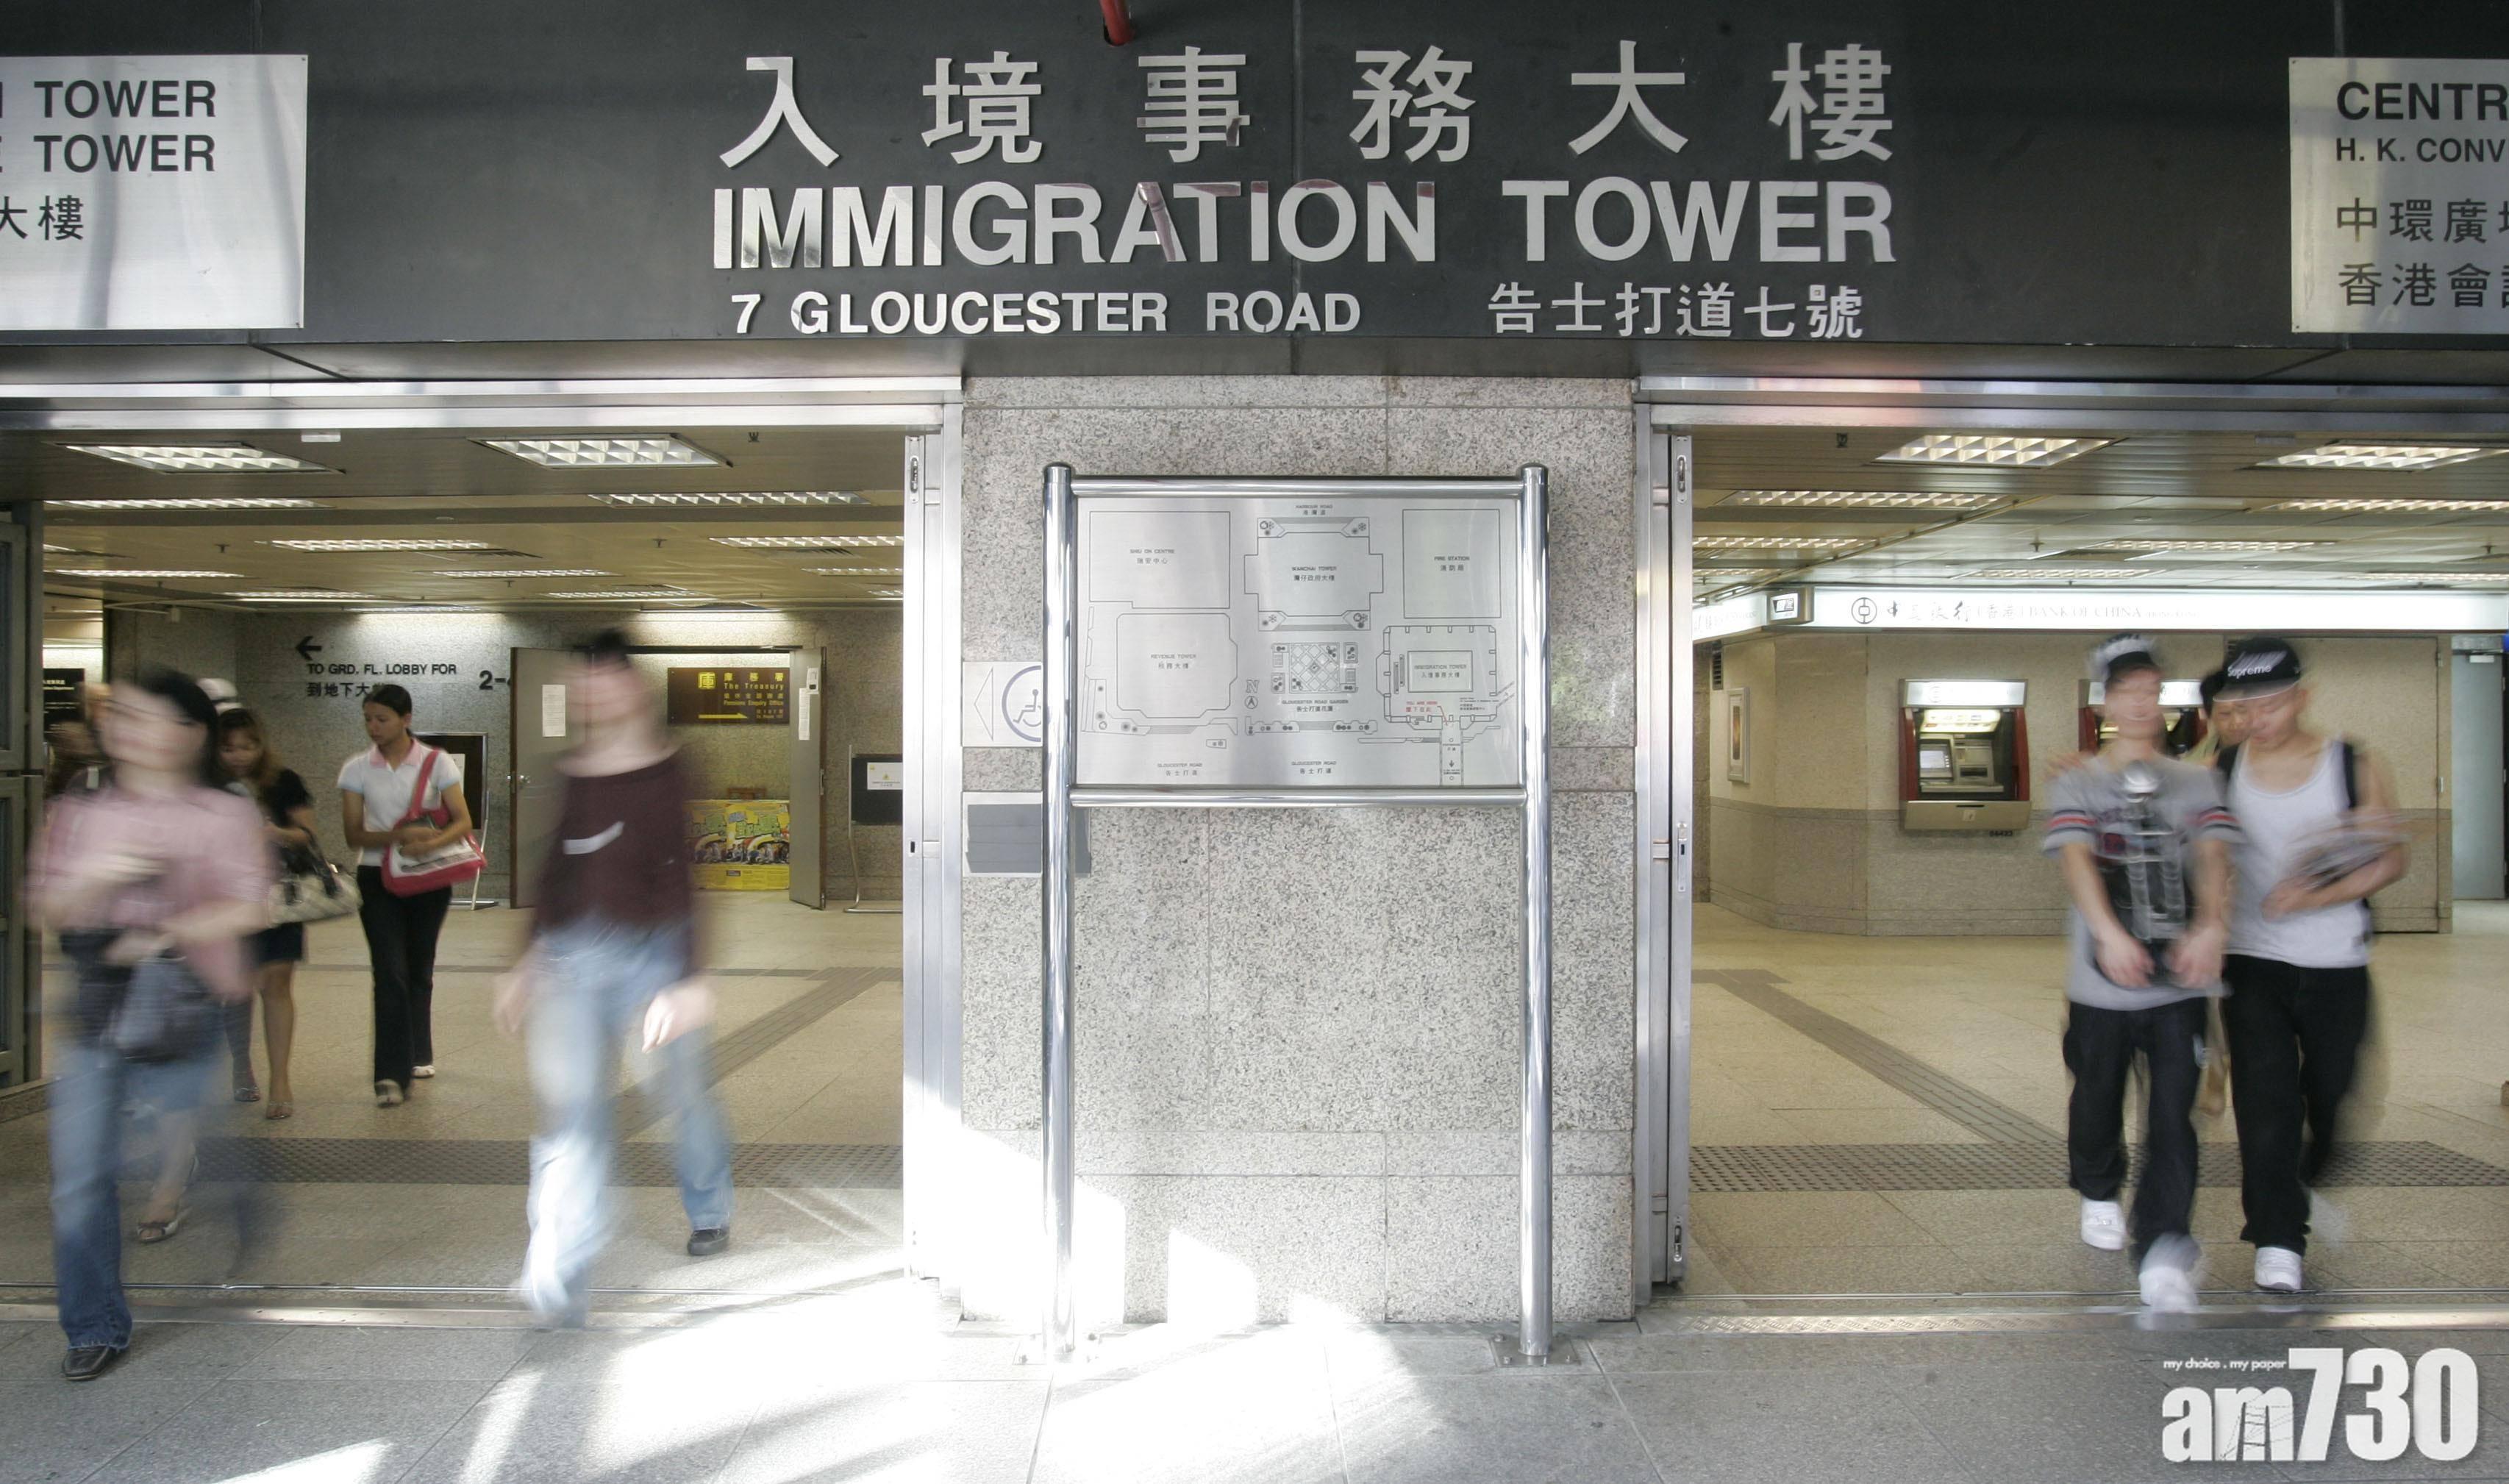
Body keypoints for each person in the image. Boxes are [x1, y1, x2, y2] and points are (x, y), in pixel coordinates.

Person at [31, 669, 271, 1380]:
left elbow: (252, 904)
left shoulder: (222, 812)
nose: (125, 728)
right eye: (121, 715)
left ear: (190, 733)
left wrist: (167, 929)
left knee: (180, 1133)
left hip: (181, 1001)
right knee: (80, 1177)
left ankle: (219, 1183)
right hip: (98, 1006)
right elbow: (47, 907)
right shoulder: (81, 810)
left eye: (146, 716)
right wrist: (101, 877)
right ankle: (94, 1324)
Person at [496, 631, 732, 1327]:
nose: (590, 698)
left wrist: (690, 979)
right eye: (581, 687)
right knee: (574, 1116)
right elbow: (555, 870)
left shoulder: (670, 769)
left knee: (683, 1095)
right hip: (573, 958)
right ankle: (559, 1269)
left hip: (654, 955)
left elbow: (687, 876)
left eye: (602, 683)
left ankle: (710, 1206)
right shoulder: (572, 771)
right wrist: (527, 958)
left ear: (632, 686)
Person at [2043, 635, 2238, 1311]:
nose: (2142, 704)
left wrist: (2210, 925)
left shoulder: (2197, 782)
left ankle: (2162, 1244)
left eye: (2152, 691)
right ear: (2105, 703)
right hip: (2101, 982)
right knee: (2097, 1095)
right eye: (2128, 692)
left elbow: (2212, 856)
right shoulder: (2079, 781)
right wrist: (2109, 934)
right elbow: (2075, 859)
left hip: (2179, 982)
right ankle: (2098, 1185)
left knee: (2173, 1115)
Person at [2213, 637, 2407, 1295]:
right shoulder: (2224, 768)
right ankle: (2277, 1238)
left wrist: (2314, 896)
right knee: (2264, 1101)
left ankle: (2305, 1177)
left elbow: (2390, 859)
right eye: (2242, 707)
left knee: (2332, 1095)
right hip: (2253, 961)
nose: (2255, 719)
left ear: (2302, 697)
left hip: (2336, 960)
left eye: (2268, 704)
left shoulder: (2351, 764)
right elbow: (2206, 855)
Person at [338, 684, 471, 1107]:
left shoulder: (436, 762)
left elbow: (462, 820)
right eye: (368, 719)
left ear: (406, 719)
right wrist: (398, 837)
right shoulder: (357, 769)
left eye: (382, 719)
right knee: (389, 971)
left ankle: (419, 1052)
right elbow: (353, 834)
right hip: (377, 876)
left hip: (428, 877)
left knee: (418, 968)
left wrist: (432, 843)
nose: (373, 727)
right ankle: (389, 1076)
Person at [220, 709, 319, 1121]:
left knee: (276, 985)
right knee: (236, 988)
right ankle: (241, 1063)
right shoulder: (207, 786)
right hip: (226, 900)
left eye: (248, 746)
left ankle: (280, 1079)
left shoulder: (283, 782)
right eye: (229, 748)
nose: (239, 755)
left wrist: (275, 832)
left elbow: (308, 836)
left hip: (279, 899)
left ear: (261, 745)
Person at [2184, 668, 2251, 1115]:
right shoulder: (2197, 770)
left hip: (2264, 908)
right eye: (2226, 714)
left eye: (2246, 710)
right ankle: (2216, 1066)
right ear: (2209, 718)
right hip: (2214, 903)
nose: (2239, 723)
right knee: (2212, 995)